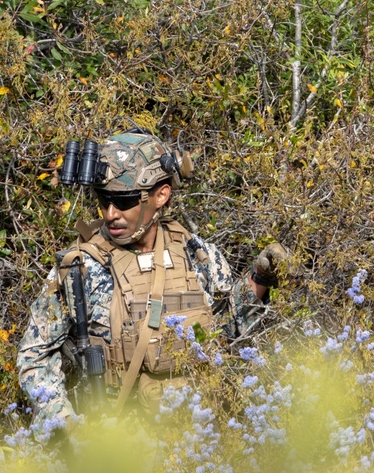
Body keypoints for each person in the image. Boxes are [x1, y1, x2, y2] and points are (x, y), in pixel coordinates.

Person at [16, 128, 286, 437]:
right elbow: (33, 358)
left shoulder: (196, 254)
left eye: (124, 200)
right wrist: (68, 433)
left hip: (203, 438)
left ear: (161, 195)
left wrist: (260, 278)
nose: (110, 214)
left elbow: (230, 330)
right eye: (104, 201)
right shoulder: (79, 268)